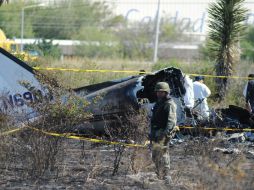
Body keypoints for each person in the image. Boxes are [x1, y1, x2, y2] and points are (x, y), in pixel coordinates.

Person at [150, 82, 177, 184]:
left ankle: (166, 176)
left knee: (163, 153)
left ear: (166, 92)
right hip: (156, 132)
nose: (158, 94)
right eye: (157, 92)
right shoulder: (159, 103)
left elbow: (171, 121)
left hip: (163, 132)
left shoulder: (169, 104)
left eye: (161, 92)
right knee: (155, 155)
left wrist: (165, 134)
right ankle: (159, 174)